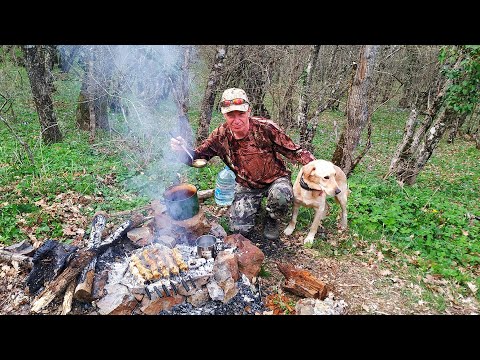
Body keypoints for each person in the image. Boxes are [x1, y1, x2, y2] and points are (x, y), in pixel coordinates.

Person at [170, 87, 316, 240]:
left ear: (248, 111)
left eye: (241, 113)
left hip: (275, 179)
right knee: (239, 229)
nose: (236, 119)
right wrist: (181, 150)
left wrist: (318, 167)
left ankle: (272, 218)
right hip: (247, 185)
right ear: (224, 114)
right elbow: (197, 157)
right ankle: (255, 205)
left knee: (281, 195)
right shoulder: (220, 136)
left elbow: (295, 152)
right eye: (230, 115)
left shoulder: (265, 128)